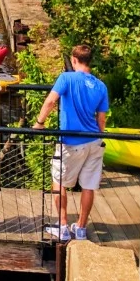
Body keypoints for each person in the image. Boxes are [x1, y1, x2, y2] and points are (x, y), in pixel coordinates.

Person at [34, 45, 109, 242]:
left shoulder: (66, 78)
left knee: (59, 182)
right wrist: (99, 137)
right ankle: (82, 228)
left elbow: (50, 102)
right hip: (94, 141)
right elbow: (101, 119)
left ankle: (64, 225)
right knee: (88, 186)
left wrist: (39, 123)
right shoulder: (101, 86)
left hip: (70, 141)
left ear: (74, 60)